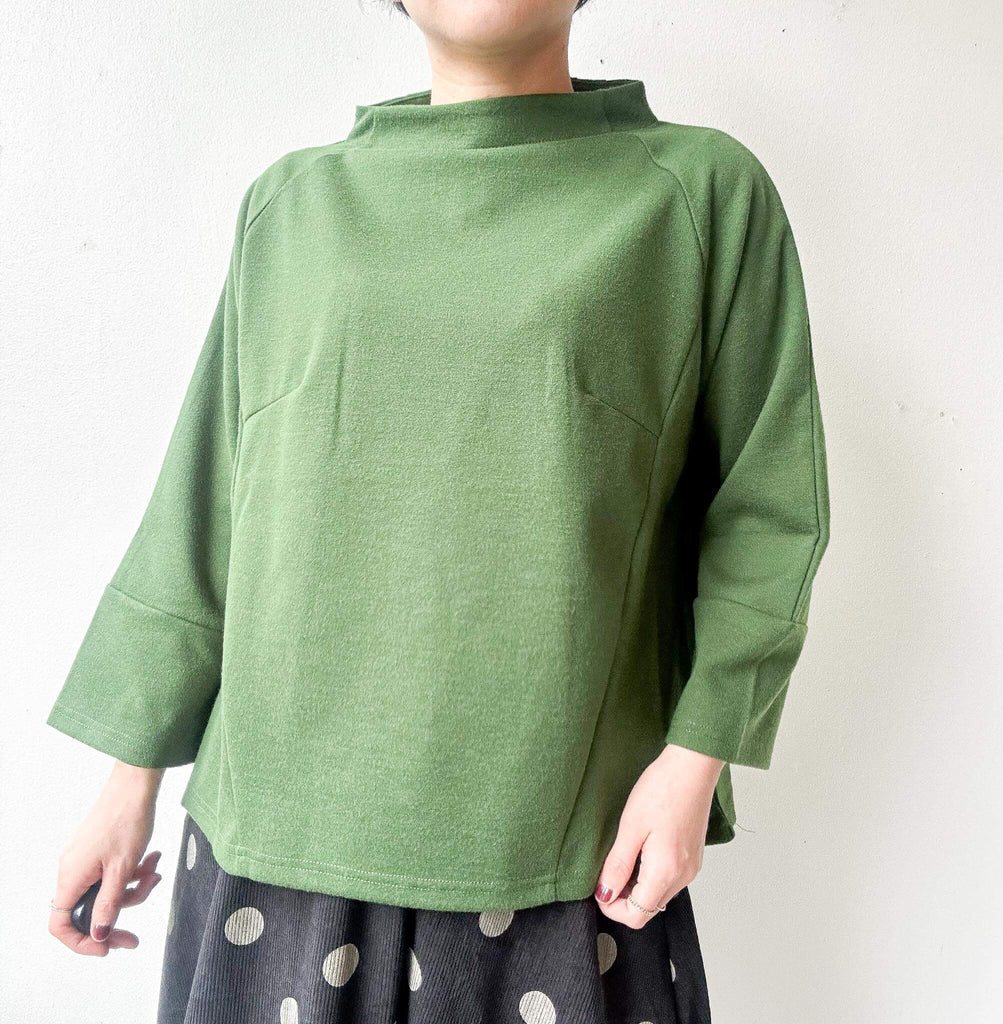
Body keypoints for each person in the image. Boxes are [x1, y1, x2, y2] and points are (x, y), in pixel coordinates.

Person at [44, 1, 831, 1021]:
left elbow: (768, 507)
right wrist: (129, 782)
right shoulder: (294, 203)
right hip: (275, 837)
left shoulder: (696, 192)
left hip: (560, 843)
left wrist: (694, 759)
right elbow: (209, 500)